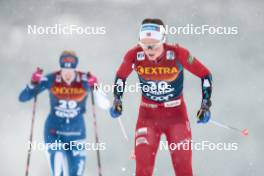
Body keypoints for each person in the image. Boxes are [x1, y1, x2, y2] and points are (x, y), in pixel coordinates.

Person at [110, 18, 213, 176]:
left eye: (154, 45)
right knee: (143, 170)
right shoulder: (134, 55)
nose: (149, 50)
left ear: (164, 41)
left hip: (176, 116)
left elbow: (205, 75)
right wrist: (117, 100)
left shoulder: (178, 54)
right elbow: (120, 77)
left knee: (184, 170)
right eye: (145, 45)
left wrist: (205, 106)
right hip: (148, 116)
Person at [19, 51, 97, 176]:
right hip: (54, 131)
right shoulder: (51, 79)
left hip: (77, 134)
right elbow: (23, 97)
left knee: (76, 172)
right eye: (64, 70)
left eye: (70, 71)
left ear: (75, 69)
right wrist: (33, 84)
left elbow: (103, 102)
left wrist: (95, 87)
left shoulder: (84, 80)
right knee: (58, 157)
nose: (67, 74)